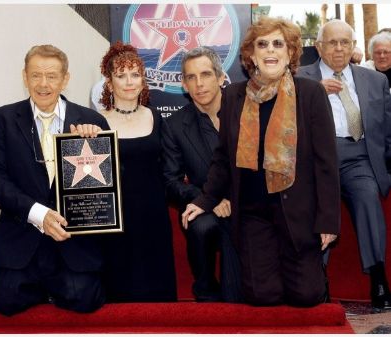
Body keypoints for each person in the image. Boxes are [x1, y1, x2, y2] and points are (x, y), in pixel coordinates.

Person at [183, 17, 340, 307]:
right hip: (253, 213)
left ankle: (315, 278)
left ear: (291, 52)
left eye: (278, 44)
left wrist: (328, 220)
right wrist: (204, 200)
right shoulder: (234, 96)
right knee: (262, 297)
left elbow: (327, 163)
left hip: (298, 213)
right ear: (251, 55)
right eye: (262, 44)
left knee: (305, 296)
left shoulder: (310, 94)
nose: (270, 50)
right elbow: (222, 157)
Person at [0, 45, 110, 316]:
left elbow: (109, 186)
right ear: (25, 77)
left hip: (72, 238)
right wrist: (39, 215)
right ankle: (44, 286)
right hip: (23, 233)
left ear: (65, 79)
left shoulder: (91, 120)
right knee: (4, 301)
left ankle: (55, 285)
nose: (43, 84)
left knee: (84, 298)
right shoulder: (3, 119)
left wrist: (96, 146)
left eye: (51, 76)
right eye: (35, 75)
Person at [298, 19, 391, 310]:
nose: (339, 48)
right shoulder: (299, 79)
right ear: (318, 47)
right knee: (316, 206)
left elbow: (386, 128)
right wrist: (314, 90)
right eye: (332, 42)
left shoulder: (375, 80)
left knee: (367, 197)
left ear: (353, 47)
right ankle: (318, 279)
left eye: (344, 42)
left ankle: (378, 278)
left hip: (358, 156)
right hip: (314, 160)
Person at [98, 41, 177, 302]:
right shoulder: (97, 123)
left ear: (143, 80)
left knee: (156, 292)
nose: (129, 81)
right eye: (121, 75)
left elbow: (168, 168)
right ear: (110, 83)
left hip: (152, 212)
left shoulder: (156, 117)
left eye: (135, 74)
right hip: (114, 216)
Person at [161, 46, 241, 302]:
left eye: (205, 75)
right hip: (208, 206)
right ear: (183, 84)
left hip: (250, 201)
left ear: (220, 78)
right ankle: (206, 290)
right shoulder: (174, 126)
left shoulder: (245, 110)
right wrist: (209, 199)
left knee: (244, 293)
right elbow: (169, 182)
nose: (199, 84)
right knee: (199, 225)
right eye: (191, 77)